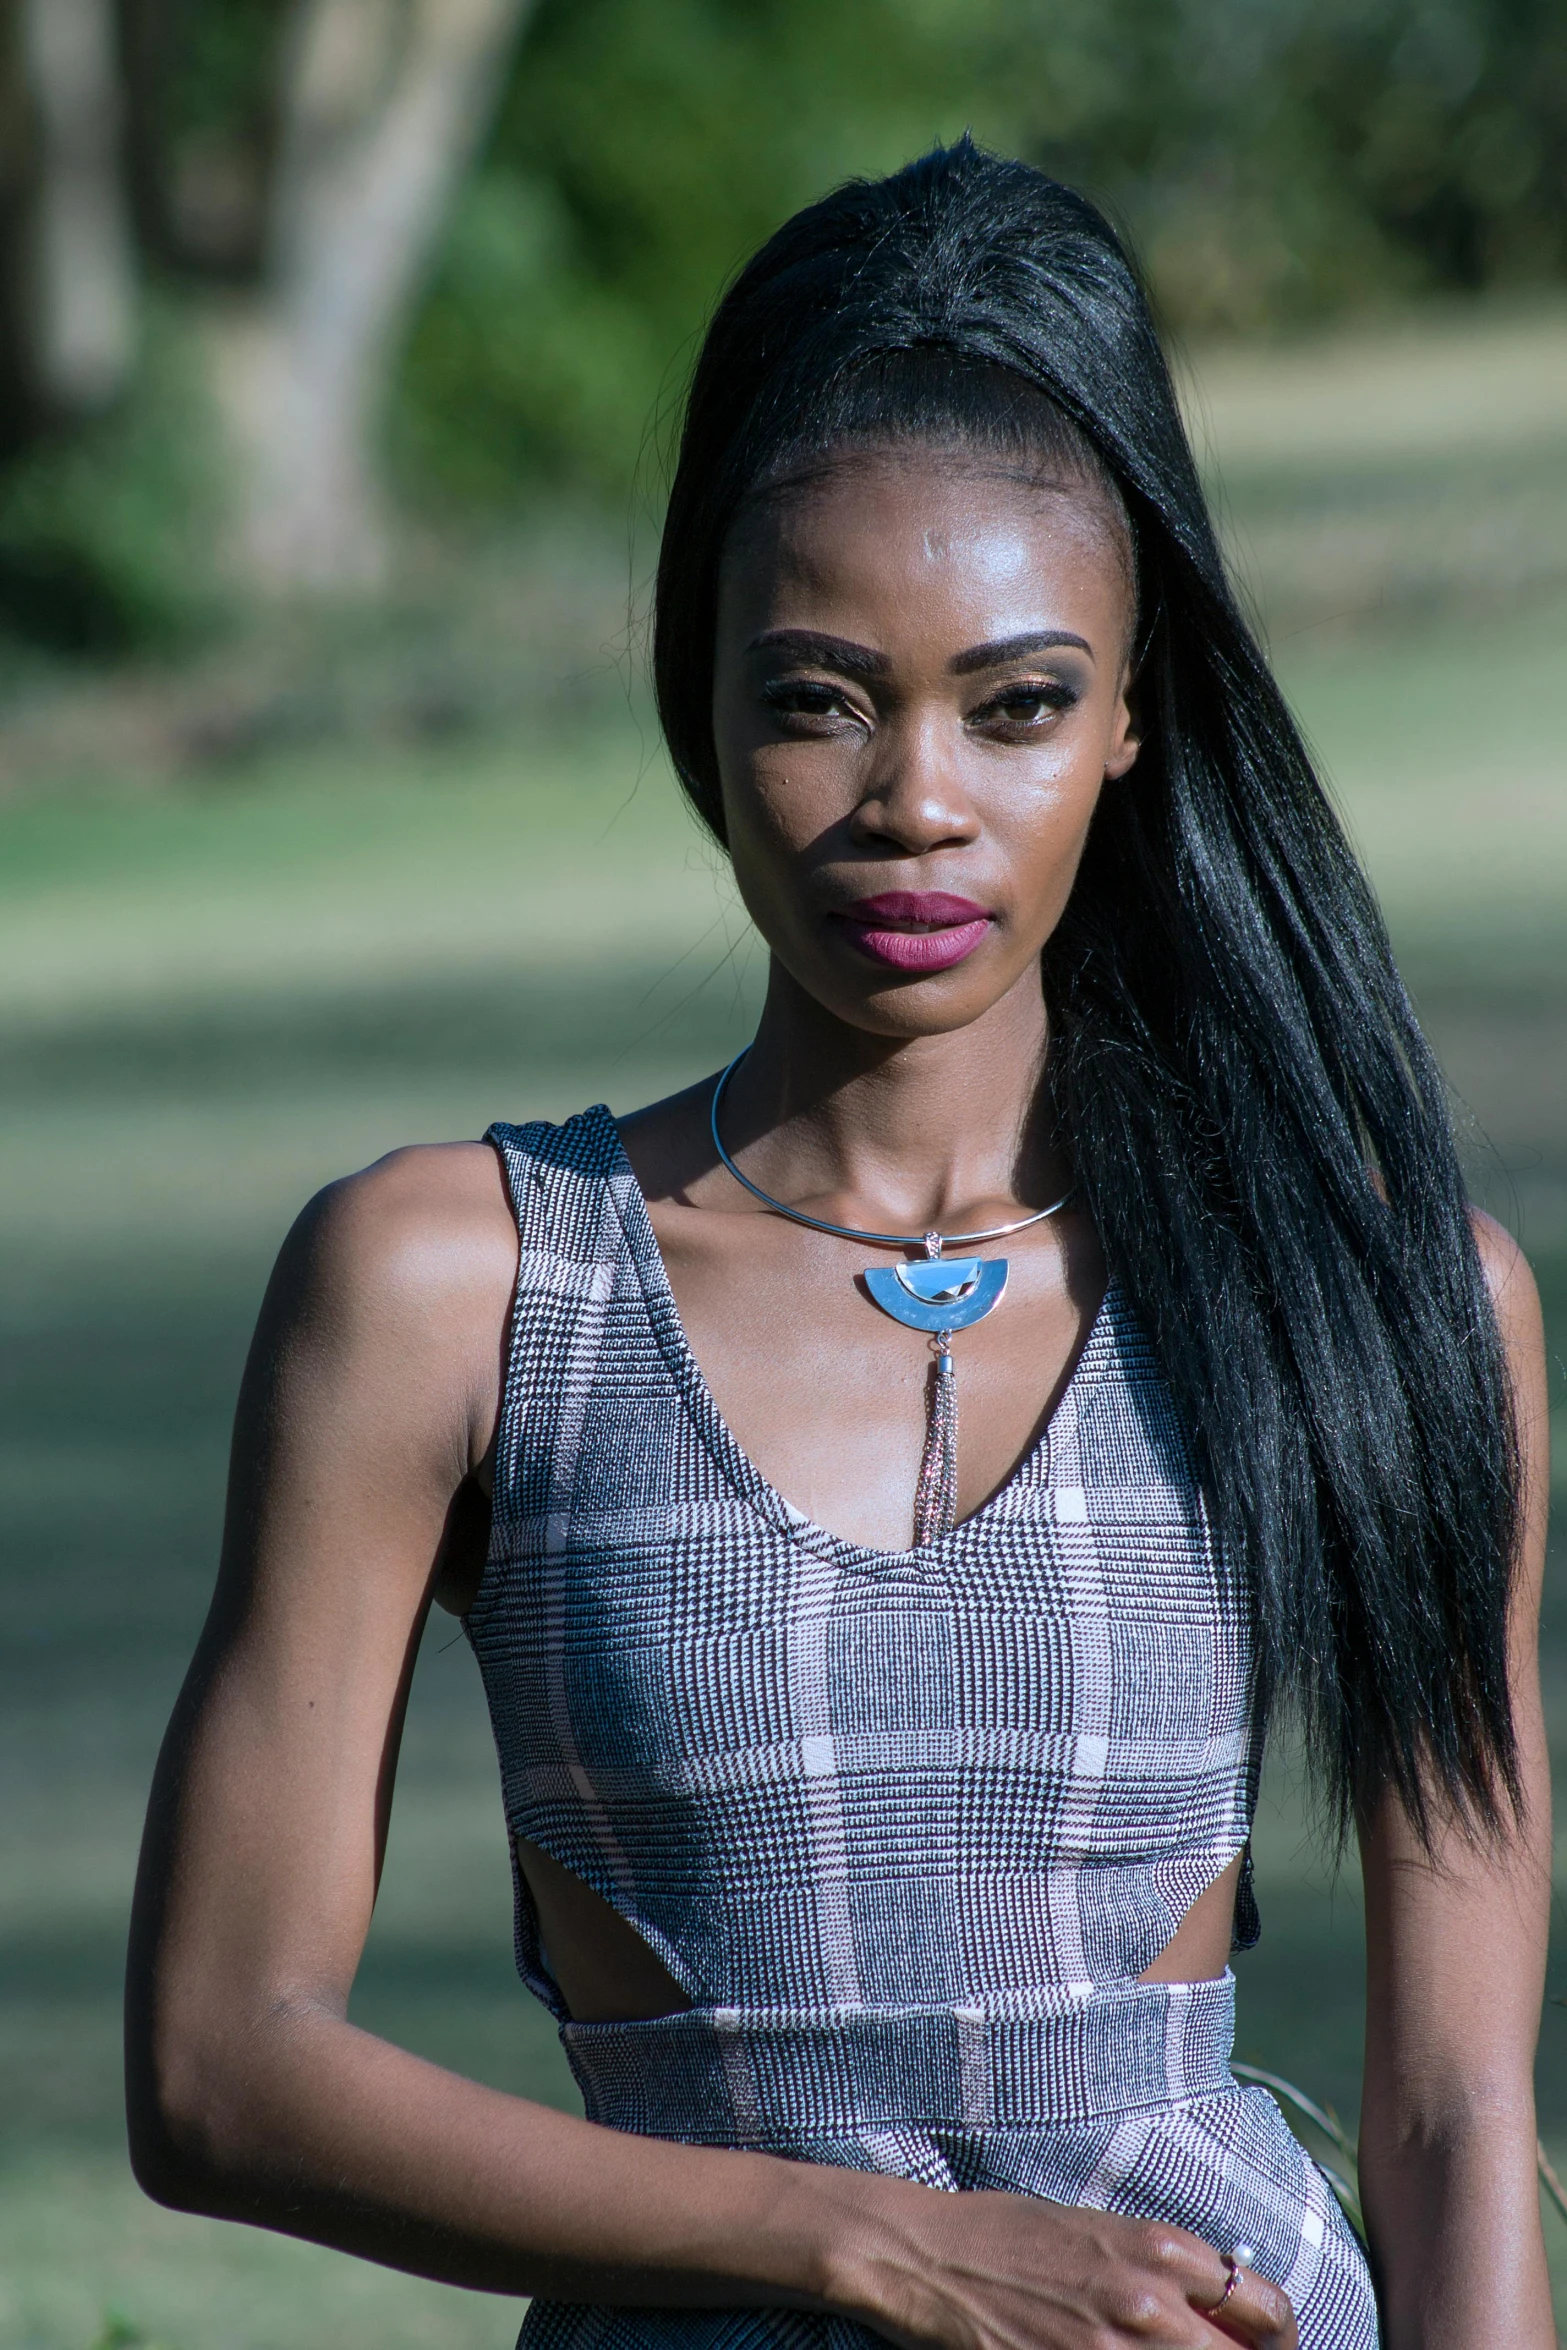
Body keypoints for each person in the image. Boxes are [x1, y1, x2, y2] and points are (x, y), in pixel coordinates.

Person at [126, 142, 1552, 2350]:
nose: (915, 798)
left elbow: (1456, 2102)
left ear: (1134, 718)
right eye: (816, 694)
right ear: (697, 689)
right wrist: (854, 2237)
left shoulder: (1380, 1294)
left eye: (1017, 702)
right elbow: (221, 2067)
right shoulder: (457, 1288)